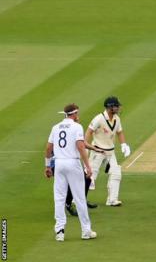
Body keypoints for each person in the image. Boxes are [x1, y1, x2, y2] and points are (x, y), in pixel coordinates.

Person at [44, 103, 97, 241]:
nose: (78, 116)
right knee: (79, 198)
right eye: (77, 113)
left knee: (59, 198)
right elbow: (80, 146)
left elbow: (48, 148)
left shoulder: (55, 127)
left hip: (59, 163)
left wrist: (48, 166)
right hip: (73, 163)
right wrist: (88, 166)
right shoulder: (77, 127)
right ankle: (86, 231)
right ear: (74, 114)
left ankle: (60, 232)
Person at [86, 96, 131, 206]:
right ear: (110, 107)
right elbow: (89, 132)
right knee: (90, 177)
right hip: (97, 151)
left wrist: (124, 144)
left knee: (116, 173)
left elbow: (120, 132)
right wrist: (85, 145)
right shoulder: (99, 118)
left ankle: (112, 200)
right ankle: (76, 200)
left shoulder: (117, 118)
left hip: (110, 152)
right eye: (116, 106)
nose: (118, 108)